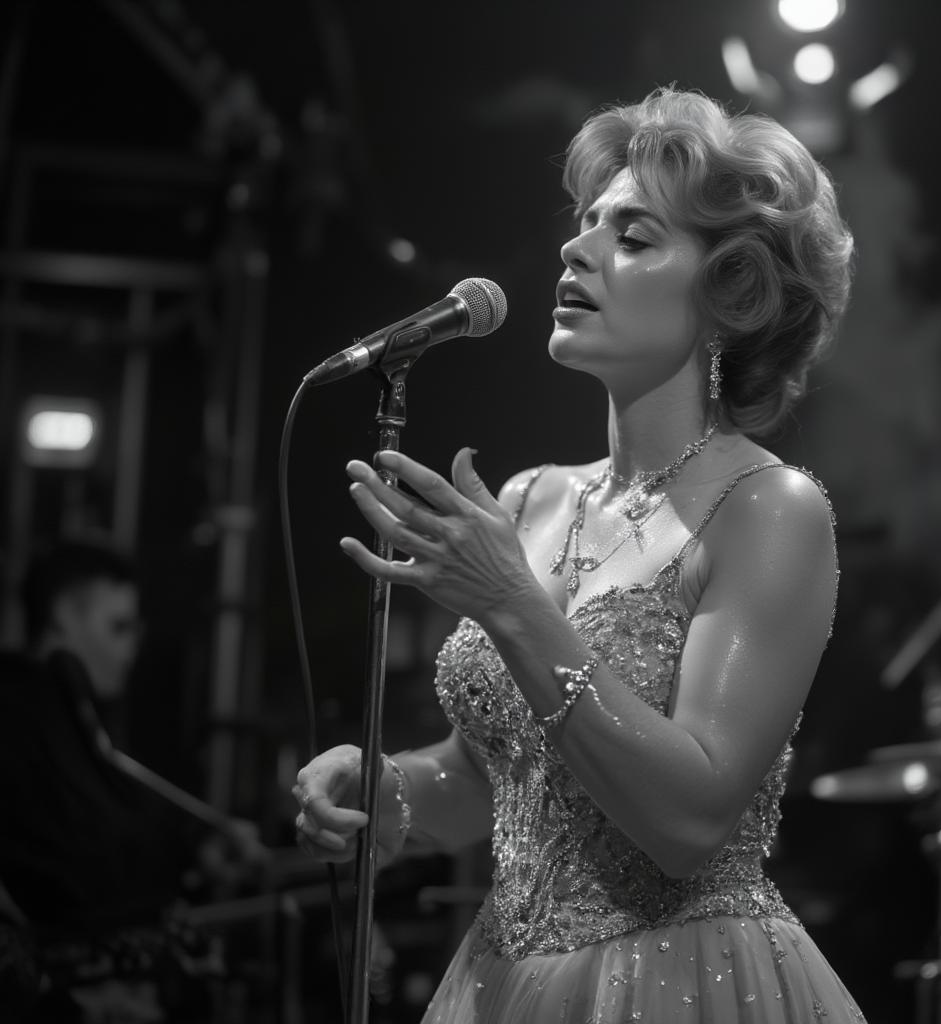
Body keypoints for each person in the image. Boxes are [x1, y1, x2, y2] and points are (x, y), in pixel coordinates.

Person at [293, 87, 863, 1022]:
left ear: (731, 293)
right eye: (586, 224)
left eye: (634, 237)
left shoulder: (768, 509)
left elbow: (690, 819)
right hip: (505, 982)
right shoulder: (529, 499)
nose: (576, 248)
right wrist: (388, 786)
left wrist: (516, 605)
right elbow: (497, 784)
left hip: (689, 982)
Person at [0, 539, 259, 1021]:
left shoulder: (84, 718)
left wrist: (197, 846)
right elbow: (71, 850)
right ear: (61, 615)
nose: (132, 648)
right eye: (118, 627)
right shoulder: (21, 715)